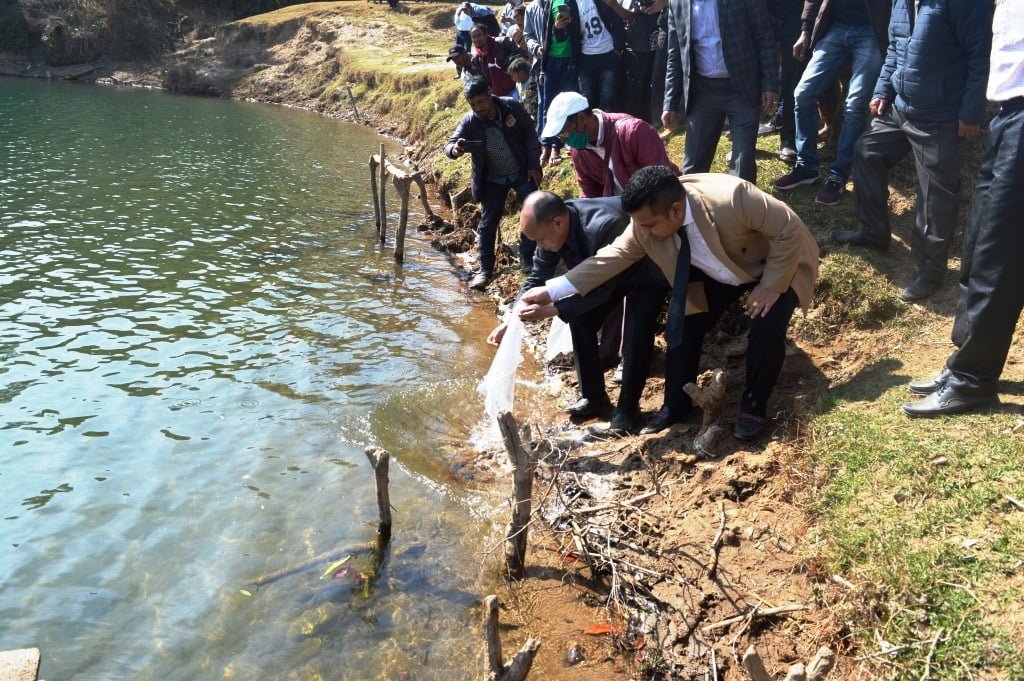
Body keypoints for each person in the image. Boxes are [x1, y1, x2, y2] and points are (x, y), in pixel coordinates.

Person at [523, 165, 819, 440]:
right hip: (721, 269)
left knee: (766, 327)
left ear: (676, 210)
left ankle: (753, 407)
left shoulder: (732, 197)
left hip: (778, 264)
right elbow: (610, 259)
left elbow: (788, 229)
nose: (643, 232)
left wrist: (771, 285)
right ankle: (677, 406)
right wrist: (552, 291)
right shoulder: (644, 225)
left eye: (649, 225)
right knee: (683, 322)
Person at [902, 2, 1023, 417]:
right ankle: (964, 364)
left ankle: (973, 382)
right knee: (975, 247)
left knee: (996, 256)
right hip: (1008, 114)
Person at [834, 0, 992, 302]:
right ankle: (873, 232)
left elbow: (978, 56)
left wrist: (971, 113)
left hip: (941, 116)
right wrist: (883, 91)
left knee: (935, 196)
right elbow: (895, 49)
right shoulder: (900, 2)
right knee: (867, 152)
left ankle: (930, 271)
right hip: (901, 108)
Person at [488, 192, 670, 431]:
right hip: (600, 275)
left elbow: (602, 290)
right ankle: (594, 398)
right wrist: (511, 320)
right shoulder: (550, 230)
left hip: (646, 271)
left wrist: (554, 309)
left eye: (540, 240)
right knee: (581, 319)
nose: (540, 246)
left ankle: (628, 411)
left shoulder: (604, 225)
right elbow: (537, 275)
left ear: (558, 222)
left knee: (637, 334)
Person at [772, 0, 891, 206]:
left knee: (854, 105)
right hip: (835, 27)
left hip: (872, 32)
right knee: (803, 93)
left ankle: (838, 175)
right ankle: (806, 166)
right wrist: (805, 30)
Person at [661, 0, 778, 184]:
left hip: (742, 87)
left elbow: (764, 36)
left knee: (743, 165)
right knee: (693, 169)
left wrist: (770, 84)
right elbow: (675, 54)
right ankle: (695, 209)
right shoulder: (677, 3)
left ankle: (742, 209)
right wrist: (670, 103)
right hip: (702, 92)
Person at [444, 79, 542, 290]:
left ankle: (526, 257)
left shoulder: (511, 107)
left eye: (481, 102)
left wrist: (534, 165)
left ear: (490, 93)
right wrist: (455, 150)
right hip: (492, 179)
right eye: (473, 104)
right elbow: (450, 144)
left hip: (521, 170)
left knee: (531, 212)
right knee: (488, 224)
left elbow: (530, 134)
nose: (478, 108)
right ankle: (485, 270)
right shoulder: (470, 121)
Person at [542, 90, 679, 197]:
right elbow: (589, 191)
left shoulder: (633, 132)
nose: (564, 140)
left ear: (581, 118)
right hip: (621, 211)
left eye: (565, 133)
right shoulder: (579, 151)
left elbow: (663, 182)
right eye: (560, 136)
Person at [524, 0, 581, 166]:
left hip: (569, 60)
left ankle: (557, 145)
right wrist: (536, 48)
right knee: (546, 105)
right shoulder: (532, 9)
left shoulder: (568, 3)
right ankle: (546, 145)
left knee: (567, 104)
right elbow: (528, 35)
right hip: (545, 62)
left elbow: (578, 31)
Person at [470, 23, 528, 97]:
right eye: (473, 37)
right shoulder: (476, 60)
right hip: (499, 97)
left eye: (479, 35)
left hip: (518, 88)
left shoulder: (503, 42)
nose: (477, 39)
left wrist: (513, 65)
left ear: (486, 34)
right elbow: (482, 81)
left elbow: (523, 54)